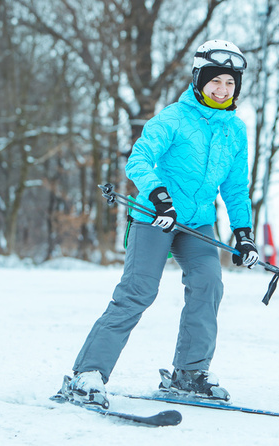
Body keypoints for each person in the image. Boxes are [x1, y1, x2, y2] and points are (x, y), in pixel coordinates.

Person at [66, 40, 258, 408]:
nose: (222, 89)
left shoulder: (236, 131)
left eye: (230, 84)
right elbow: (139, 159)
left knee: (208, 284)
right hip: (155, 218)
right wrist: (158, 196)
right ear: (199, 80)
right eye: (215, 81)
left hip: (197, 225)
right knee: (138, 291)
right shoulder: (173, 118)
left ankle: (189, 373)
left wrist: (244, 234)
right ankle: (87, 375)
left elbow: (235, 187)